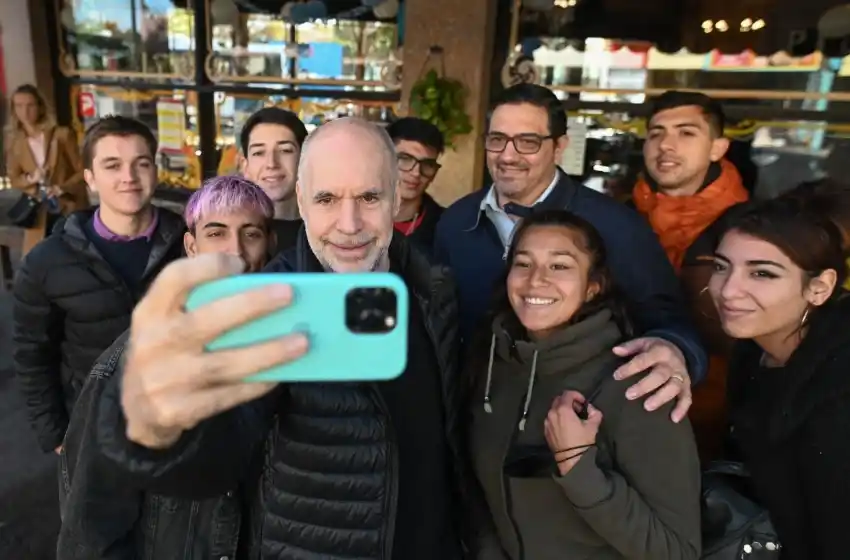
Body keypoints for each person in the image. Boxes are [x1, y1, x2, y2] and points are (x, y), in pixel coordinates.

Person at [92, 118, 486, 559]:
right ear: (301, 201)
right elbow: (217, 457)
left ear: (396, 196)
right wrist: (158, 430)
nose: (350, 223)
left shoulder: (432, 287)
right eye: (327, 199)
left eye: (369, 197)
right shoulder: (271, 303)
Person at [435, 83, 705, 421]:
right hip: (477, 420)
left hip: (579, 426)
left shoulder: (617, 226)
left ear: (560, 146)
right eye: (497, 139)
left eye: (528, 142)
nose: (507, 155)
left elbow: (669, 319)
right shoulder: (456, 223)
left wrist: (674, 349)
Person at [58, 176, 275, 559]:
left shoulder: (286, 353)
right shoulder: (130, 364)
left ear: (270, 244)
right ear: (191, 247)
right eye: (216, 233)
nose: (235, 251)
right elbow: (91, 524)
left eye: (251, 233)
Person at [467, 210, 701, 559]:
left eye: (559, 266)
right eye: (523, 263)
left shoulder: (637, 385)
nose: (536, 281)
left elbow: (678, 552)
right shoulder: (493, 365)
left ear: (593, 286)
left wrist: (578, 466)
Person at [12, 115, 185, 454]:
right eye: (112, 165)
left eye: (141, 163)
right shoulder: (47, 261)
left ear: (155, 169)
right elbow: (32, 354)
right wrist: (57, 435)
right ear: (90, 178)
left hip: (179, 428)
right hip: (91, 433)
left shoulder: (189, 244)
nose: (129, 178)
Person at [708, 198, 850, 559]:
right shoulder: (754, 347)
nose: (727, 290)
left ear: (819, 287)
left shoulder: (838, 390)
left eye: (762, 273)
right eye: (722, 267)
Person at [631, 91, 750, 460]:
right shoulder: (620, 217)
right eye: (656, 133)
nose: (666, 145)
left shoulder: (752, 228)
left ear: (718, 147)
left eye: (686, 133)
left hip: (716, 422)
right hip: (627, 407)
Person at [5, 84, 90, 255]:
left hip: (68, 207)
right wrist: (31, 179)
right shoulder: (15, 142)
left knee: (77, 257)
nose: (25, 112)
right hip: (39, 212)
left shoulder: (61, 135)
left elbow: (83, 171)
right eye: (19, 106)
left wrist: (62, 188)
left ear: (40, 106)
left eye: (30, 105)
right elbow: (14, 178)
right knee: (42, 261)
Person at [238, 107, 308, 254]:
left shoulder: (325, 231)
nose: (271, 163)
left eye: (285, 150)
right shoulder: (230, 234)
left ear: (305, 160)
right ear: (245, 167)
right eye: (259, 153)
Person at [387, 116, 445, 256]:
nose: (416, 173)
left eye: (427, 165)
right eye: (405, 159)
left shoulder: (447, 228)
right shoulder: (347, 216)